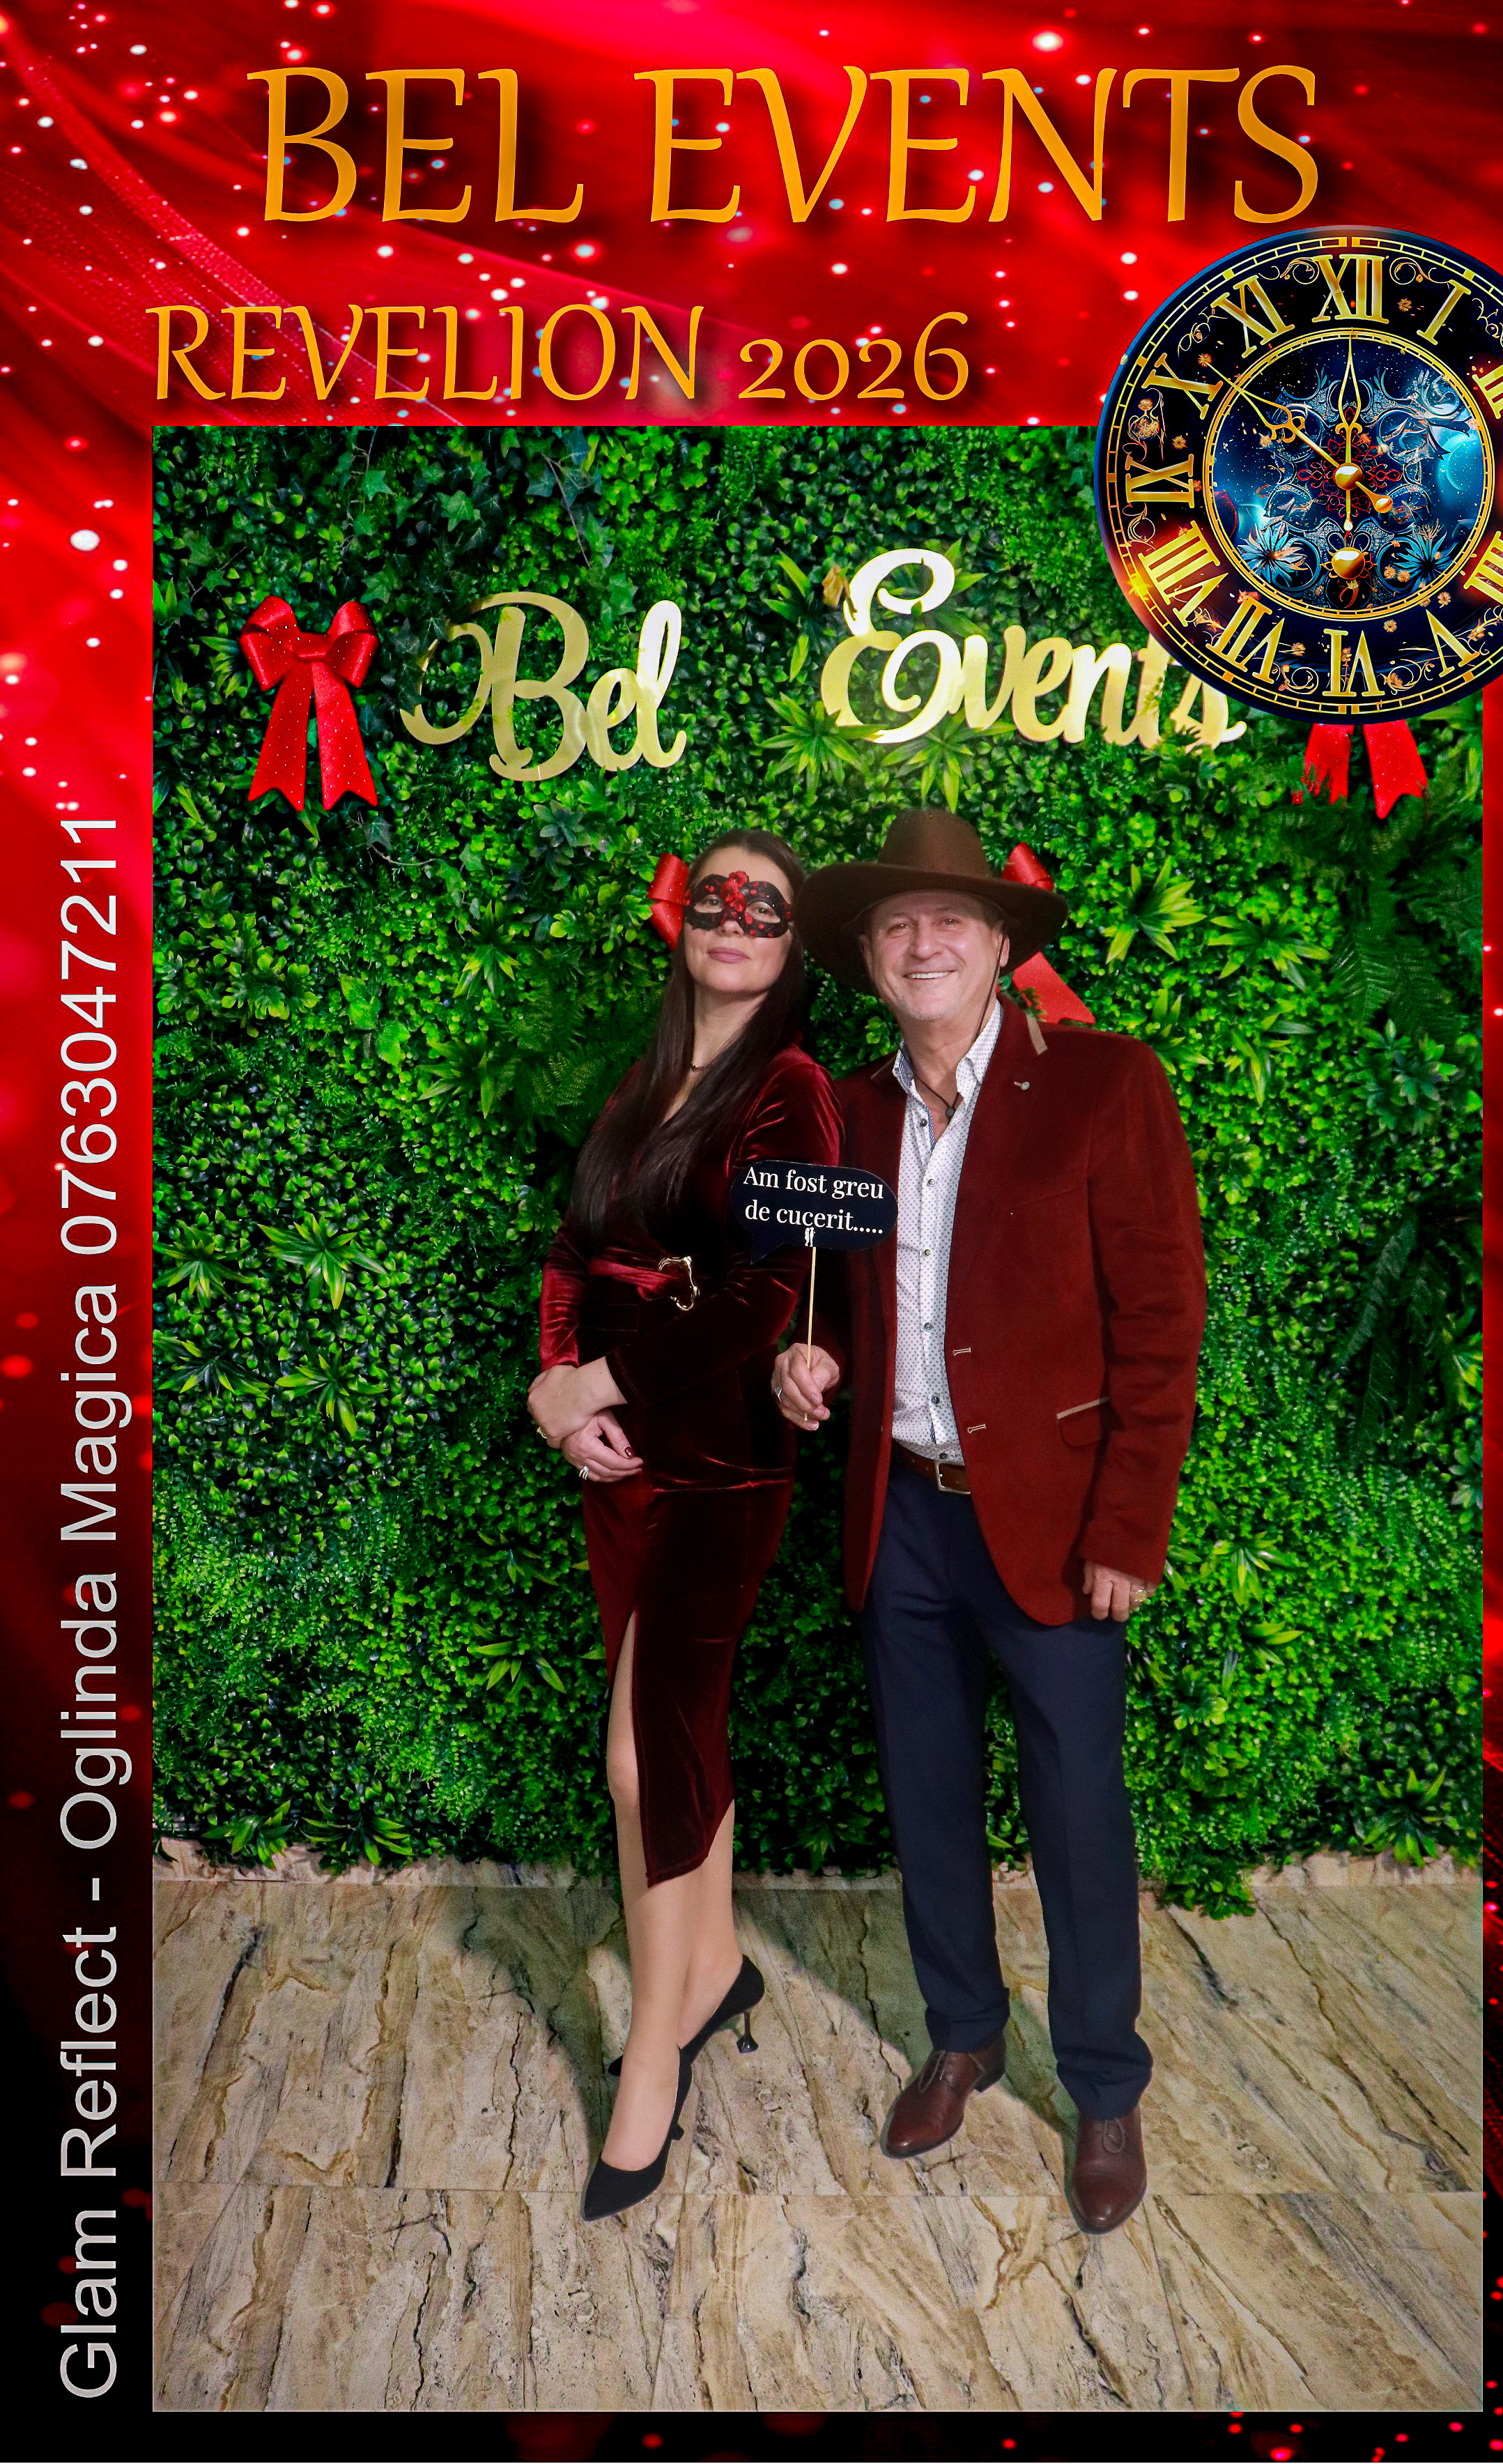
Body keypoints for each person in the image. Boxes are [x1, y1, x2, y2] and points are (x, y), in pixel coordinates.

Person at [776, 807, 1205, 2235]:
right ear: (868, 958)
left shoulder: (1103, 1085)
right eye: (895, 925)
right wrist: (804, 1356)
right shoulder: (843, 1111)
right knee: (927, 1795)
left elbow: (1161, 1321)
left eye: (950, 919)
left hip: (1057, 1523)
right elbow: (824, 1293)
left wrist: (1129, 1529)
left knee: (1079, 1814)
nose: (923, 942)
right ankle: (963, 2035)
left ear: (1001, 943)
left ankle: (1103, 2088)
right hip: (899, 1513)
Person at [530, 831, 840, 2221]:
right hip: (618, 1463)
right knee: (679, 1733)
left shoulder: (792, 1088)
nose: (733, 919)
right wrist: (559, 1393)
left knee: (641, 1755)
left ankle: (653, 2054)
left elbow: (770, 1293)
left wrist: (601, 1380)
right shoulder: (643, 1079)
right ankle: (713, 1970)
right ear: (684, 922)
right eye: (714, 897)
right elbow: (571, 1252)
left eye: (763, 907)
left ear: (791, 945)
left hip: (720, 1461)